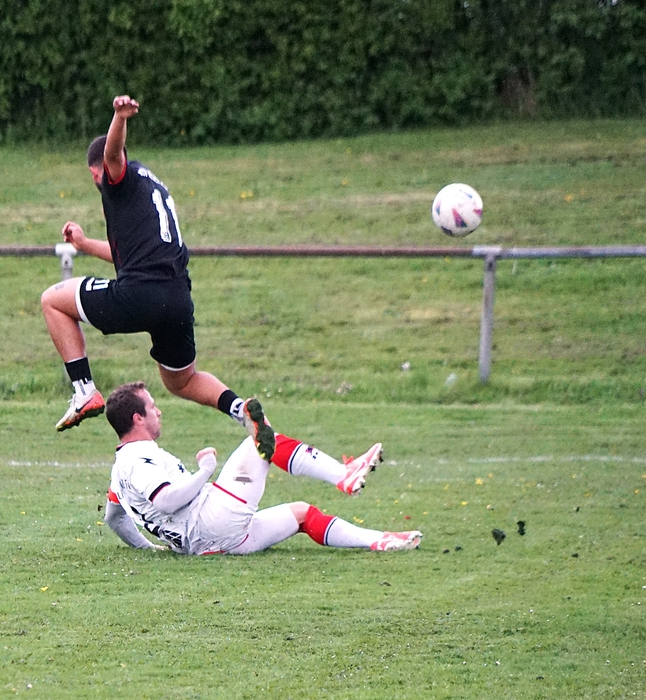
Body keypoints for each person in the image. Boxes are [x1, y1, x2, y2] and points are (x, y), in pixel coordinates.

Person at [39, 95, 274, 458]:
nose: (98, 180)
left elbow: (113, 154)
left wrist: (119, 117)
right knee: (181, 380)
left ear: (96, 170)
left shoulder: (118, 175)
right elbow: (129, 255)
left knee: (53, 300)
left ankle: (84, 390)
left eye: (95, 175)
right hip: (177, 298)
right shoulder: (152, 187)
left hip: (139, 294)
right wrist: (84, 245)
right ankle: (241, 410)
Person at [102, 382, 423, 556]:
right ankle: (344, 475)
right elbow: (165, 501)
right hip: (212, 521)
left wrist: (150, 549)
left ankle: (379, 540)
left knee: (302, 514)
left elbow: (114, 518)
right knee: (261, 440)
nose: (159, 411)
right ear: (138, 419)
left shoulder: (121, 469)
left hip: (207, 543)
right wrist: (205, 471)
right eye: (152, 407)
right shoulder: (138, 458)